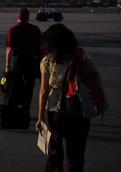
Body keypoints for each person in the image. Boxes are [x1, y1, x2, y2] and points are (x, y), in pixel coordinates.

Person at [36, 24, 91, 172]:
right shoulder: (81, 54)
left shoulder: (47, 60)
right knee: (76, 153)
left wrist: (40, 117)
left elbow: (43, 91)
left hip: (55, 111)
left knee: (54, 150)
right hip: (78, 109)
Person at [5, 7, 42, 110]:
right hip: (31, 61)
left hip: (18, 60)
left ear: (18, 16)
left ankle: (15, 107)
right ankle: (26, 108)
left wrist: (7, 65)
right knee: (29, 86)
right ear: (28, 17)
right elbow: (41, 47)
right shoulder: (35, 29)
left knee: (15, 85)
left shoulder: (13, 30)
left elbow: (10, 49)